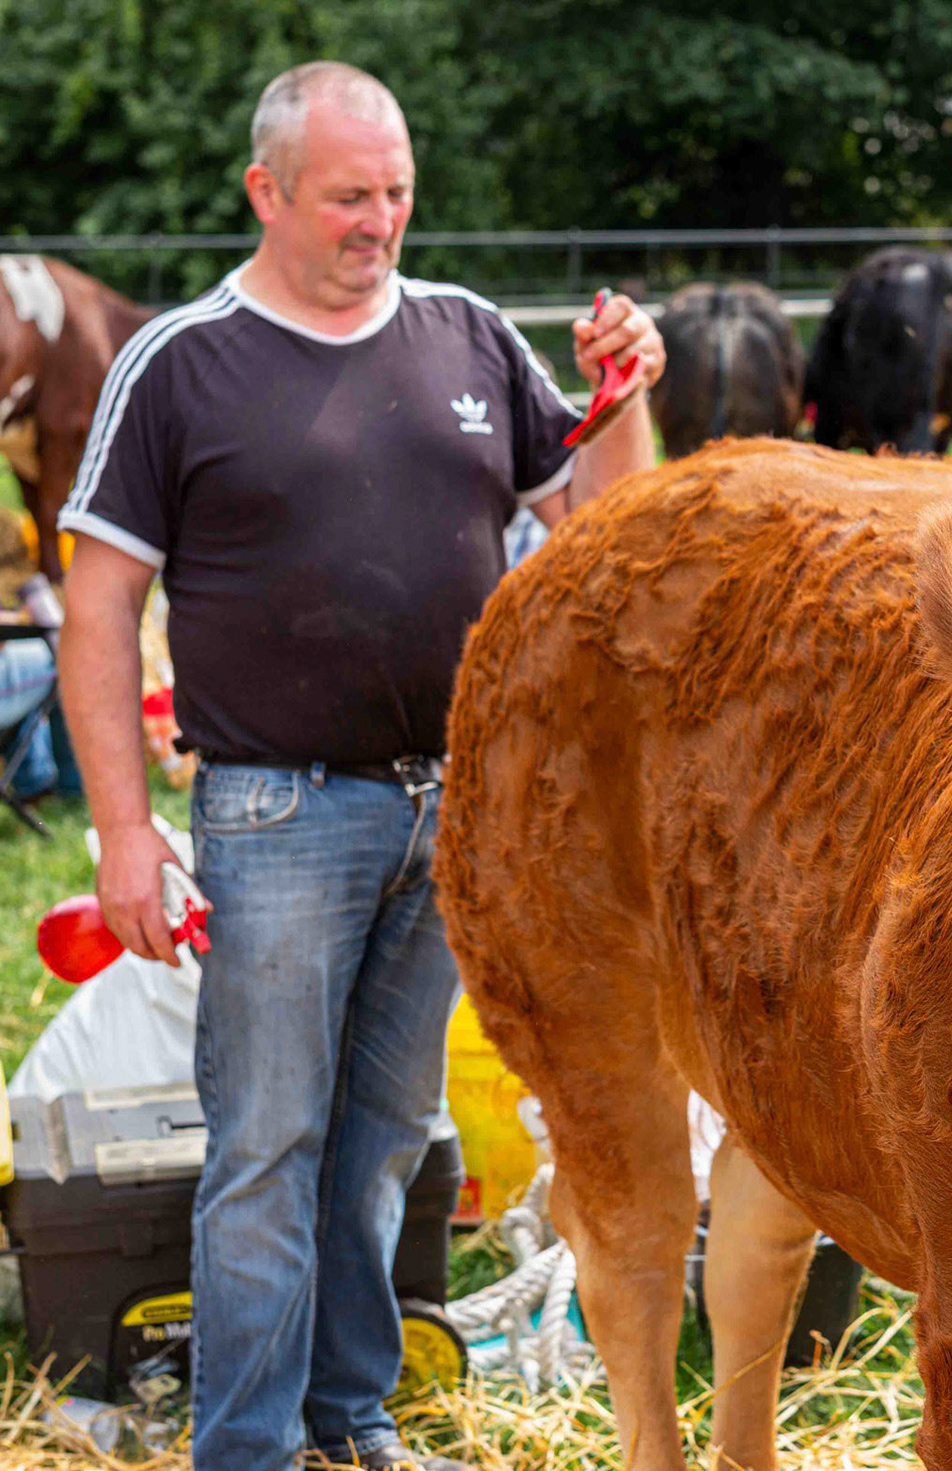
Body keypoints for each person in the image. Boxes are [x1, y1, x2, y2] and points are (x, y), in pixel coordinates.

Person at [56, 62, 664, 1471]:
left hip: (452, 806)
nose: (377, 221)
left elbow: (600, 529)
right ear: (267, 191)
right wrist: (123, 833)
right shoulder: (185, 361)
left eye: (395, 191)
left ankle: (349, 1417)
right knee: (269, 1139)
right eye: (347, 196)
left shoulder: (467, 337)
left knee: (387, 1131)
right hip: (276, 805)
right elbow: (97, 608)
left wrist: (621, 395)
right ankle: (248, 1445)